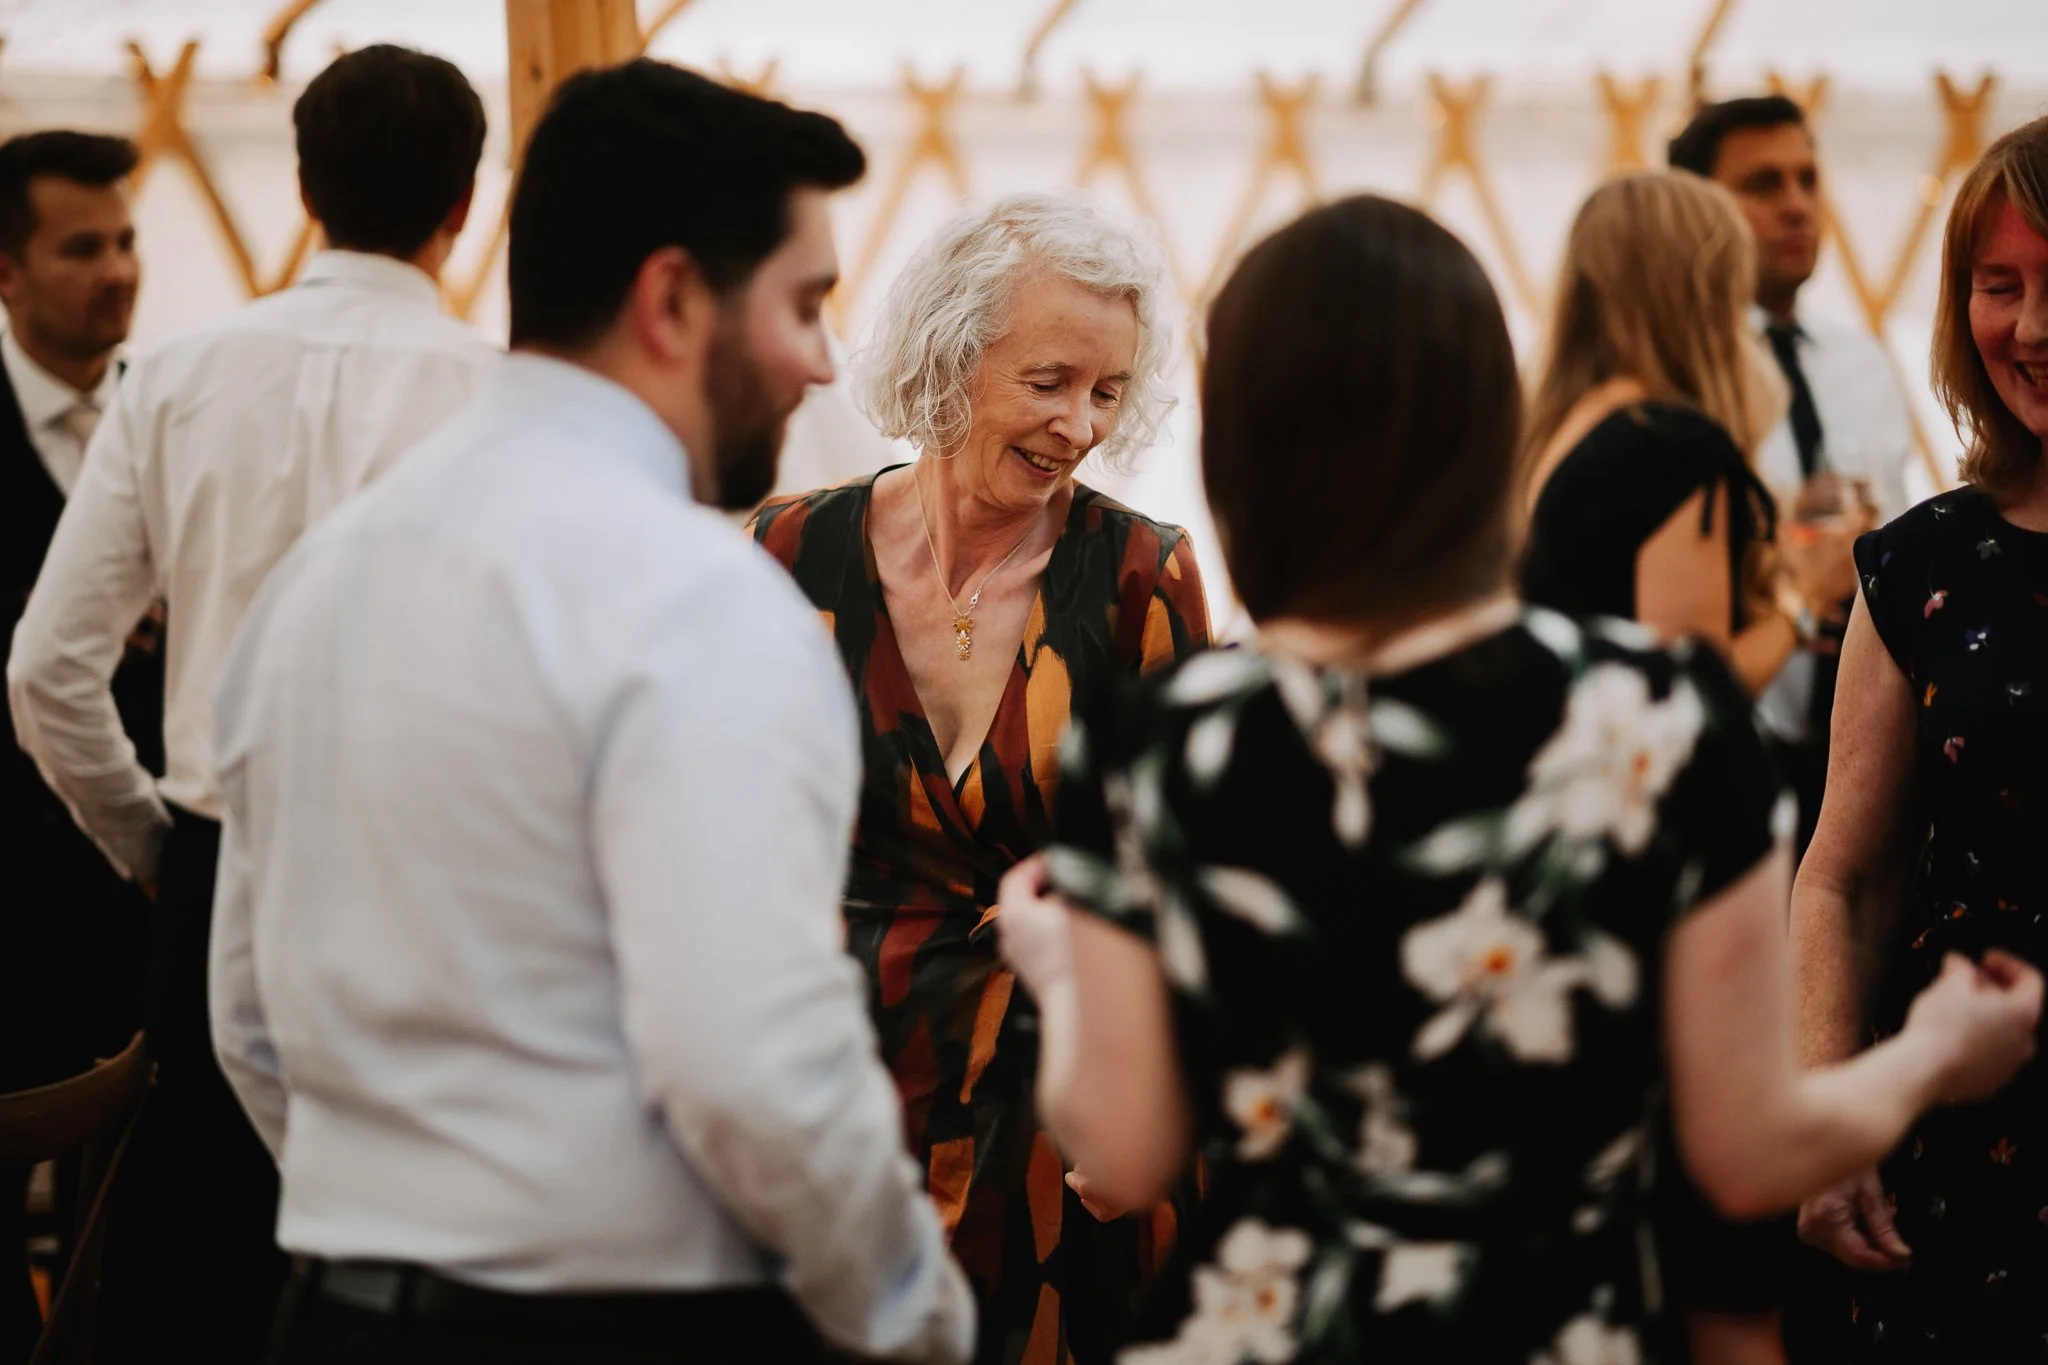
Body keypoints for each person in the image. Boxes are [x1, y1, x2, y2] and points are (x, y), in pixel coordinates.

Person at [990, 191, 2044, 1365]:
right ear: (1486, 424)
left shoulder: (1152, 737)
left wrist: (1059, 971)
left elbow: (1121, 1153)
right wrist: (1936, 1051)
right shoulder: (1655, 715)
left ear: (1236, 443)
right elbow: (1748, 1152)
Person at [209, 61, 973, 1365]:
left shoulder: (320, 576)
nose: (822, 361)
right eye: (804, 305)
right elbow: (753, 1070)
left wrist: (399, 1224)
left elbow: (245, 1014)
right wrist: (913, 1314)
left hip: (333, 1314)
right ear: (671, 299)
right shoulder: (696, 599)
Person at [5, 46, 496, 1362]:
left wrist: (158, 848)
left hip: (220, 869)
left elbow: (47, 672)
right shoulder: (502, 398)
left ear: (304, 186)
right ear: (464, 202)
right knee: (403, 1266)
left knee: (198, 1268)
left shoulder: (173, 377)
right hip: (426, 887)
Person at [750, 192, 1208, 1363]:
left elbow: (1179, 876)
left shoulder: (1140, 577)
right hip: (836, 1099)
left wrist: (1154, 1105)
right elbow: (729, 842)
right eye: (1049, 381)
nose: (1078, 425)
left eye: (1107, 392)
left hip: (1057, 1116)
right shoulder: (787, 554)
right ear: (951, 358)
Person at [1792, 113, 2048, 1362]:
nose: (2031, 329)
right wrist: (1829, 1106)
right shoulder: (1920, 564)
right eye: (1998, 287)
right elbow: (1842, 877)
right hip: (1962, 1141)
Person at [1670, 95, 1919, 860]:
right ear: (1696, 208)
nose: (1797, 205)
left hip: (1875, 750)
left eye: (1808, 179)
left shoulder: (1863, 363)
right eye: (1764, 184)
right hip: (1728, 752)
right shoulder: (1681, 378)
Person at [0, 128, 152, 1365]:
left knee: (144, 1231)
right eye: (82, 247)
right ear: (5, 271)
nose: (118, 272)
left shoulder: (169, 409)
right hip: (8, 899)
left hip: (145, 899)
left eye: (128, 241)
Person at [1520, 169, 1849, 700]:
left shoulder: (1572, 421)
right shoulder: (1670, 445)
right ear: (1703, 295)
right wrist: (1808, 598)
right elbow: (1693, 696)